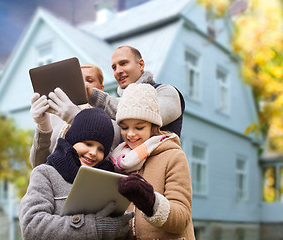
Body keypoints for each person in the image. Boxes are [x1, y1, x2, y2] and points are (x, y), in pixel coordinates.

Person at [19, 108, 134, 240]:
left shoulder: (108, 181)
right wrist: (93, 226)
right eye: (88, 143)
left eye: (100, 149)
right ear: (73, 140)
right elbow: (31, 226)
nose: (93, 152)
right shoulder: (45, 174)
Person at [108, 83, 195, 239]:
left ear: (153, 126)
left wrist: (151, 202)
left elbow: (182, 218)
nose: (130, 134)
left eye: (139, 127)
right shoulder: (118, 160)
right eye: (124, 127)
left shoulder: (173, 156)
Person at [29, 63, 121, 168]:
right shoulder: (55, 117)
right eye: (78, 81)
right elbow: (37, 165)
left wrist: (77, 119)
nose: (84, 85)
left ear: (101, 88)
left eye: (90, 80)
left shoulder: (110, 121)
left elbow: (106, 163)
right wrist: (43, 126)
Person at [86, 45, 185, 137]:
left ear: (141, 65)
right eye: (114, 67)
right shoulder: (114, 108)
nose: (118, 71)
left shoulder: (167, 92)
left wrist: (95, 96)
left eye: (123, 63)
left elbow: (141, 113)